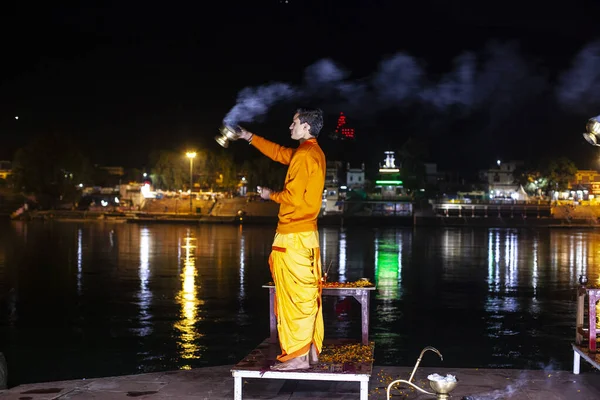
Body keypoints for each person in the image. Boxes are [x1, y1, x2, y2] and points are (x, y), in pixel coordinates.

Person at [238, 108, 326, 370]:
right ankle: (308, 352)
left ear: (306, 128)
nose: (290, 127)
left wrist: (270, 196)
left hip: (293, 236)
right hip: (307, 235)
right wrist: (249, 137)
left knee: (293, 297)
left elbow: (293, 198)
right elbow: (279, 153)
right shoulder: (313, 152)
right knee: (307, 294)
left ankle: (297, 357)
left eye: (294, 123)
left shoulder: (304, 155)